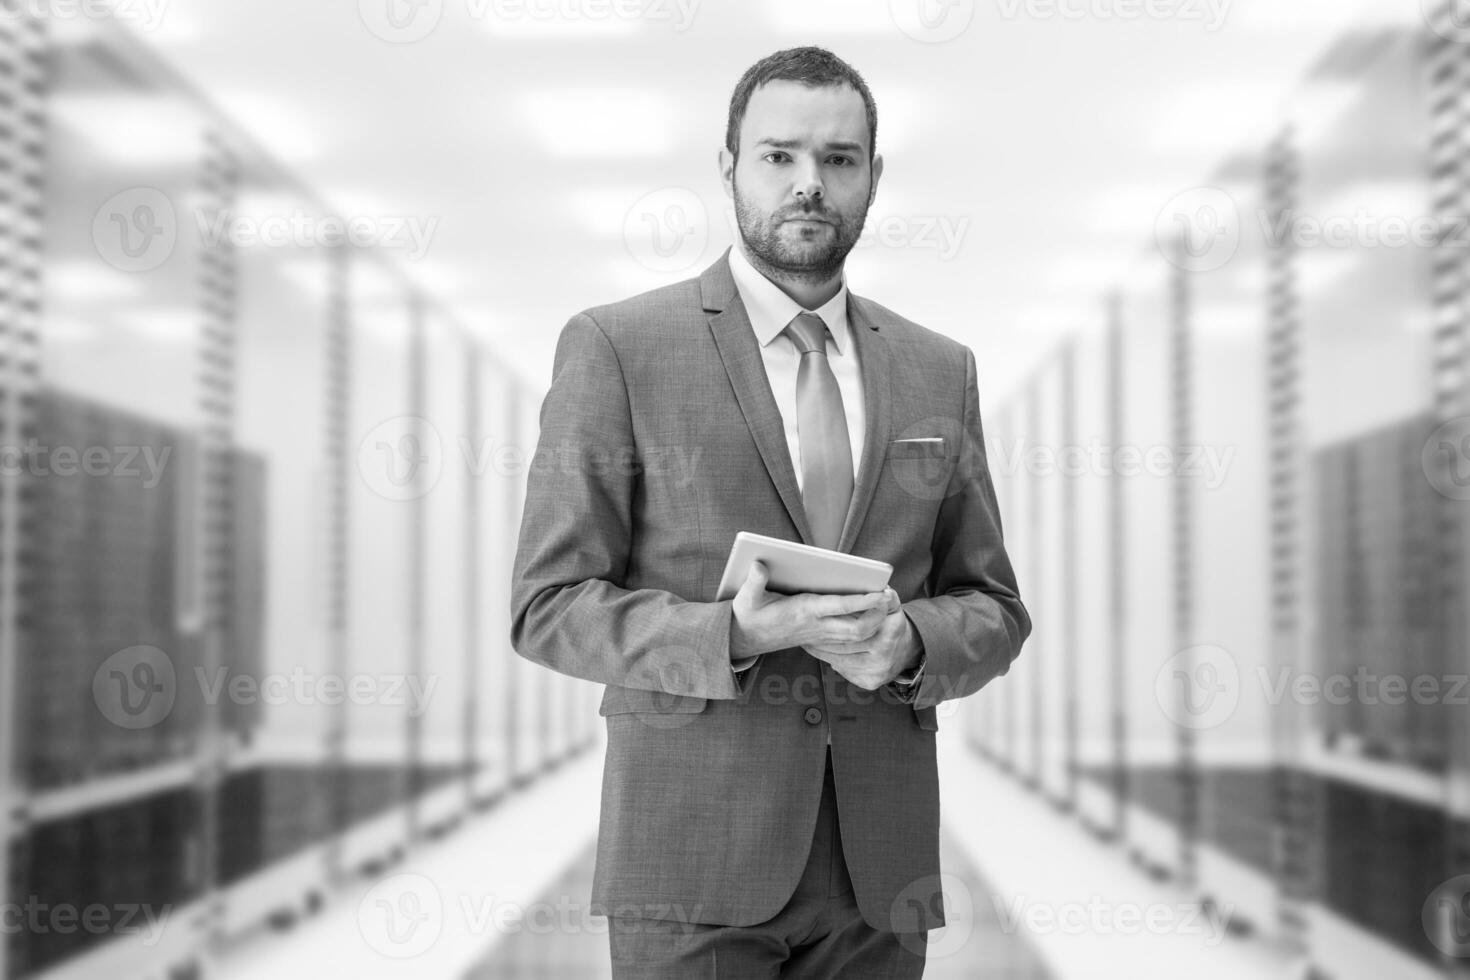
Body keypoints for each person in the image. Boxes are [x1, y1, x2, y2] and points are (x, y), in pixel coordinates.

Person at [510, 45, 1030, 979]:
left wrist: (911, 645)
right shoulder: (619, 348)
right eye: (779, 156)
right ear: (729, 168)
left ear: (872, 177)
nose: (808, 185)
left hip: (878, 870)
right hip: (692, 859)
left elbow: (992, 606)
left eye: (837, 160)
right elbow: (547, 606)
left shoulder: (935, 369)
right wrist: (730, 636)